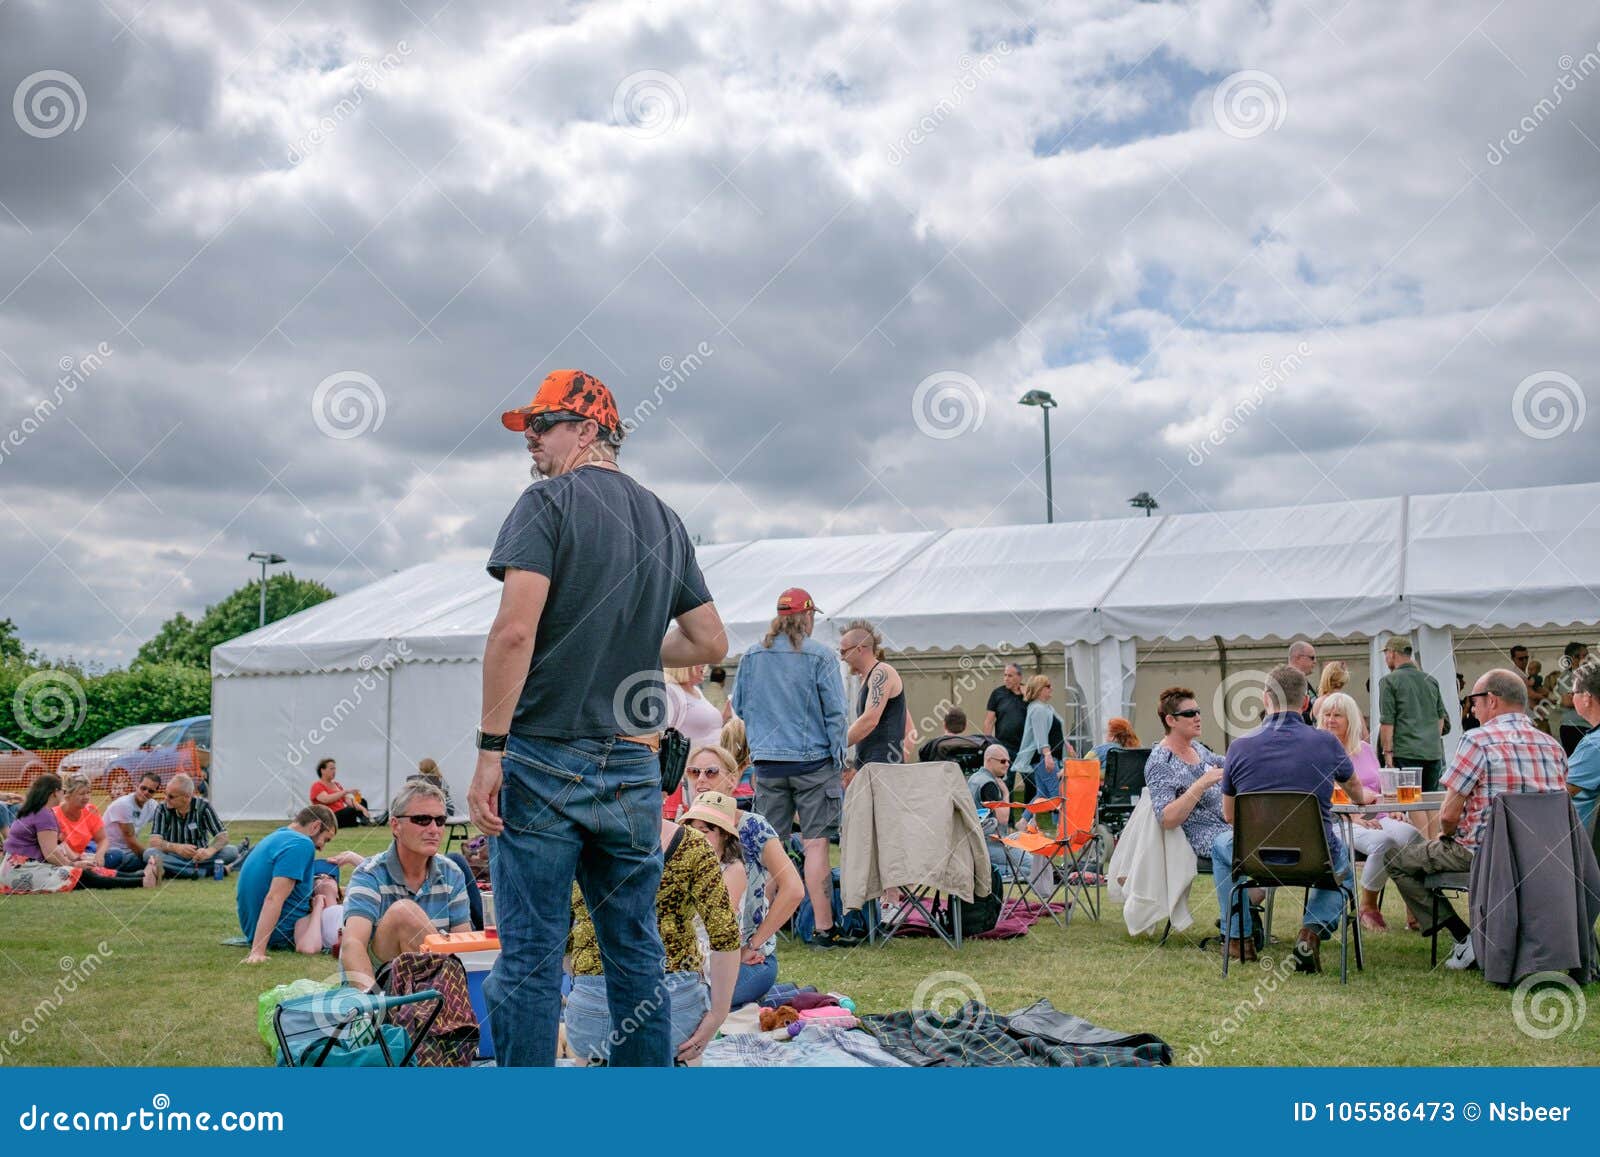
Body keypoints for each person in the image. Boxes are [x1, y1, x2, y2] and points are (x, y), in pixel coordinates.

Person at [470, 369, 728, 1068]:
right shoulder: (664, 519)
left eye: (541, 426)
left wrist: (490, 749)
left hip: (545, 753)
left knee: (530, 954)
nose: (530, 442)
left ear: (587, 429)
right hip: (630, 767)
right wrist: (638, 642)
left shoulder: (546, 502)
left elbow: (513, 633)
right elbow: (710, 641)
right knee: (633, 947)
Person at [1384, 669, 1568, 970]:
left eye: (1474, 701)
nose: (1471, 708)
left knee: (1396, 858)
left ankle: (1464, 937)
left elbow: (1448, 815)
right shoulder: (1553, 745)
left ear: (1492, 701)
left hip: (1484, 855)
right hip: (1543, 857)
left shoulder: (1477, 740)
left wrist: (1446, 836)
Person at [1217, 665, 1368, 973]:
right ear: (1306, 704)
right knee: (1344, 870)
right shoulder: (1327, 743)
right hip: (1314, 857)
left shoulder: (1239, 747)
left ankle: (1238, 939)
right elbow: (1357, 795)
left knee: (1221, 846)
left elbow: (1229, 816)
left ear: (1264, 699)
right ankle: (1309, 933)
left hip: (1255, 857)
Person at [730, 587, 852, 949]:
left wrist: (765, 734)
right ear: (808, 616)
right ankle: (823, 930)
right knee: (816, 846)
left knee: (769, 847)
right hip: (813, 762)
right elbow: (836, 714)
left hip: (768, 764)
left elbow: (738, 705)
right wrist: (839, 759)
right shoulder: (821, 655)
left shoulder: (753, 655)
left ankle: (754, 931)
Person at [564, 814, 739, 1065]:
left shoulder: (572, 843)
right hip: (673, 997)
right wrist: (719, 1014)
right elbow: (725, 933)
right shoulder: (693, 844)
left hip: (594, 1002)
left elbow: (557, 934)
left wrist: (582, 977)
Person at [678, 752, 803, 1004]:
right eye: (693, 772)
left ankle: (775, 993)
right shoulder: (684, 830)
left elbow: (793, 889)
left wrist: (754, 944)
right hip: (696, 959)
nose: (701, 779)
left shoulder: (752, 828)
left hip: (745, 956)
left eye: (711, 772)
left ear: (732, 779)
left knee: (695, 1003)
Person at [341, 783, 473, 990]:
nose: (434, 829)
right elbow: (352, 944)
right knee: (404, 913)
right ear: (395, 826)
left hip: (432, 988)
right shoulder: (369, 874)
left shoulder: (452, 873)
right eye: (422, 820)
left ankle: (444, 1010)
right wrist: (372, 1006)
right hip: (381, 987)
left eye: (440, 821)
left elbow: (462, 946)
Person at [1315, 692, 1420, 932]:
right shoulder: (1320, 751)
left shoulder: (1364, 748)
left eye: (1337, 715)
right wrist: (1353, 815)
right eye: (1327, 715)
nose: (1331, 720)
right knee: (1384, 842)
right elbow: (1324, 792)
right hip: (1338, 821)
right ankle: (1368, 906)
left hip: (1377, 814)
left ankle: (1415, 904)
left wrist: (1392, 809)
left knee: (1412, 835)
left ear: (1350, 719)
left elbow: (1379, 787)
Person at [1, 774, 154, 892]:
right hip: (21, 871)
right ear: (54, 793)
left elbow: (55, 848)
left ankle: (141, 876)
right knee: (81, 874)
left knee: (85, 869)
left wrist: (74, 862)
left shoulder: (35, 810)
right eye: (62, 791)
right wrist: (72, 864)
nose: (63, 794)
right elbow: (51, 853)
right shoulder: (44, 814)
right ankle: (140, 880)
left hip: (20, 868)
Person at [238, 804, 341, 962]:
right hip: (282, 933)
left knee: (324, 880)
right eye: (325, 839)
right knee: (329, 877)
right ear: (315, 826)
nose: (322, 847)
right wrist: (257, 951)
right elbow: (274, 898)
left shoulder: (277, 836)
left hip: (252, 929)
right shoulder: (302, 844)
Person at [1143, 688, 1228, 863]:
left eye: (1198, 712)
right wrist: (1201, 784)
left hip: (1230, 828)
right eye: (1189, 713)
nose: (1198, 718)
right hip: (1206, 837)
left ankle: (1256, 890)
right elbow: (1166, 819)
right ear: (1170, 720)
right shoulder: (1161, 762)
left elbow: (1230, 764)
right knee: (1247, 846)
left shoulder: (1196, 748)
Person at [51, 773, 154, 888]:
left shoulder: (90, 810)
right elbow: (57, 847)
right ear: (67, 795)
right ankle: (140, 876)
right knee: (100, 867)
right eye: (81, 794)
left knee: (116, 854)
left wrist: (99, 855)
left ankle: (148, 869)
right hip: (67, 860)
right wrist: (76, 860)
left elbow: (103, 839)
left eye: (88, 793)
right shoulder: (53, 814)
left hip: (87, 856)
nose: (86, 797)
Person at [1378, 638, 1450, 790]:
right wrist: (1432, 742)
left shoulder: (1389, 681)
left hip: (1405, 753)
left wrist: (1388, 753)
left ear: (1392, 653)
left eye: (1386, 654)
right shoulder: (1431, 680)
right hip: (1432, 754)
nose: (1385, 658)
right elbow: (1440, 718)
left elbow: (1387, 722)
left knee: (1409, 804)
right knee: (1429, 802)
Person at [842, 619, 912, 768]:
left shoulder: (881, 672)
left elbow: (870, 720)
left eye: (843, 651)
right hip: (874, 767)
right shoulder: (869, 678)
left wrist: (835, 744)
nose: (842, 657)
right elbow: (909, 729)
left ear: (859, 649)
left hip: (883, 770)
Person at [145, 774, 242, 880]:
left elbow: (223, 837)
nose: (166, 799)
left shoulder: (204, 807)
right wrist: (176, 848)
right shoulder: (162, 808)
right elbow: (154, 841)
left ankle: (175, 871)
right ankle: (203, 872)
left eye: (171, 796)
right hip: (173, 856)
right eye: (166, 794)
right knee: (149, 853)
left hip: (200, 858)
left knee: (232, 851)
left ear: (187, 797)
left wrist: (209, 852)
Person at [661, 664, 725, 819]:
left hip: (708, 775)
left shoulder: (696, 691)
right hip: (690, 780)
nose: (704, 665)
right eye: (698, 660)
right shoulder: (671, 691)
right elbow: (664, 740)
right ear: (683, 665)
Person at [1015, 674, 1073, 802]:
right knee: (1057, 794)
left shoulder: (1046, 708)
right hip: (1044, 758)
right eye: (1048, 686)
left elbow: (1055, 730)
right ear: (1040, 689)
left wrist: (1066, 744)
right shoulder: (1038, 709)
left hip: (1047, 757)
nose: (1051, 688)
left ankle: (1024, 820)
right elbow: (1040, 735)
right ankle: (1060, 822)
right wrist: (1047, 755)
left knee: (1042, 794)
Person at [102, 771, 161, 869]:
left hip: (129, 853)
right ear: (137, 786)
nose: (146, 792)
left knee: (161, 856)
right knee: (154, 859)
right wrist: (150, 858)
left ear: (155, 793)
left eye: (151, 791)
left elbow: (166, 820)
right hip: (109, 852)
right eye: (143, 788)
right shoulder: (124, 804)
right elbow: (131, 842)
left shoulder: (152, 805)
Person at [1566, 661, 1600, 830]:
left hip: (1581, 841)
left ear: (1586, 698)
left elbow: (1561, 791)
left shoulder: (1595, 743)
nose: (1572, 698)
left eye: (1573, 692)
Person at [309, 757, 372, 828]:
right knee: (351, 809)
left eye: (334, 768)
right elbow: (326, 799)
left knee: (362, 801)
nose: (334, 771)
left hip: (342, 814)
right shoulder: (317, 785)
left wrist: (362, 808)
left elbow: (348, 800)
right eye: (331, 769)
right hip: (330, 817)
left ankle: (365, 820)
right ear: (322, 770)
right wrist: (345, 792)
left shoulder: (337, 784)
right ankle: (364, 821)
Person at [984, 663, 1028, 760]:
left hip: (1026, 747)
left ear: (1020, 677)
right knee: (1006, 775)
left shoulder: (1029, 693)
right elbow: (989, 721)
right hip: (1004, 747)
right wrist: (988, 744)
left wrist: (1026, 696)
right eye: (1005, 675)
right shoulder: (997, 693)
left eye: (1010, 676)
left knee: (1030, 776)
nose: (1006, 679)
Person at [1557, 642, 1593, 756]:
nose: (1588, 659)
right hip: (1573, 727)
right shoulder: (1566, 677)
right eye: (1585, 656)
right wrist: (1590, 697)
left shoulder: (1590, 675)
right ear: (1574, 658)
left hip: (1589, 727)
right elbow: (1567, 701)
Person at [1289, 640, 1319, 723]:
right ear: (1298, 658)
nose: (1315, 662)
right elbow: (1291, 716)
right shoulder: (1288, 682)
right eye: (1312, 658)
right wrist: (1316, 714)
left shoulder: (1301, 680)